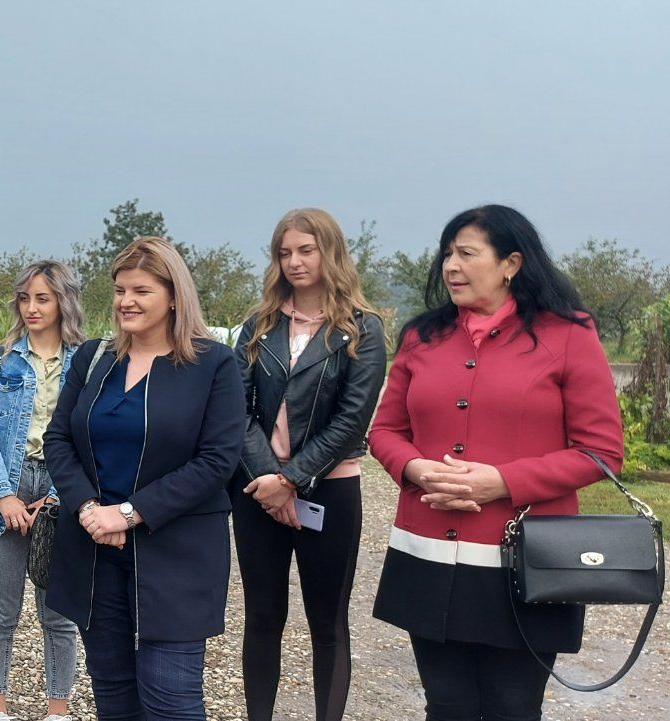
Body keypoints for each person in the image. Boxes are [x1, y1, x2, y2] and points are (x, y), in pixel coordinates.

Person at [369, 204, 624, 721]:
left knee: (514, 707)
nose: (451, 266)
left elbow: (601, 451)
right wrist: (416, 470)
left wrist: (502, 482)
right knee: (446, 705)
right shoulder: (422, 336)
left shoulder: (568, 334)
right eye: (446, 254)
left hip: (526, 562)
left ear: (511, 263)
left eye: (466, 253)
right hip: (428, 554)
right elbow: (385, 432)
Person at [43, 237, 243, 721]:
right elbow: (57, 441)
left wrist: (130, 513)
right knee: (113, 695)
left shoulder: (213, 364)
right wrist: (90, 510)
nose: (125, 301)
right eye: (119, 290)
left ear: (174, 295)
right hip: (95, 550)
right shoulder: (94, 358)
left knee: (171, 700)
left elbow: (218, 460)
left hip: (176, 553)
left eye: (141, 290)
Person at [232, 208, 386, 721]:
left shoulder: (363, 330)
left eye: (306, 250)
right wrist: (269, 481)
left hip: (330, 492)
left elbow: (350, 421)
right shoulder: (258, 326)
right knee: (262, 617)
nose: (294, 261)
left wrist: (293, 479)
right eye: (284, 252)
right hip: (257, 492)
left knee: (328, 622)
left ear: (330, 252)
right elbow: (237, 411)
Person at [0, 260, 86, 721]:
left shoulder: (89, 360)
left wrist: (58, 498)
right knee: (0, 612)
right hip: (6, 486)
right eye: (25, 298)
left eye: (43, 298)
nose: (32, 307)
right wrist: (2, 494)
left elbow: (87, 434)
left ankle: (57, 711)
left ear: (63, 302)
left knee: (57, 614)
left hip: (60, 489)